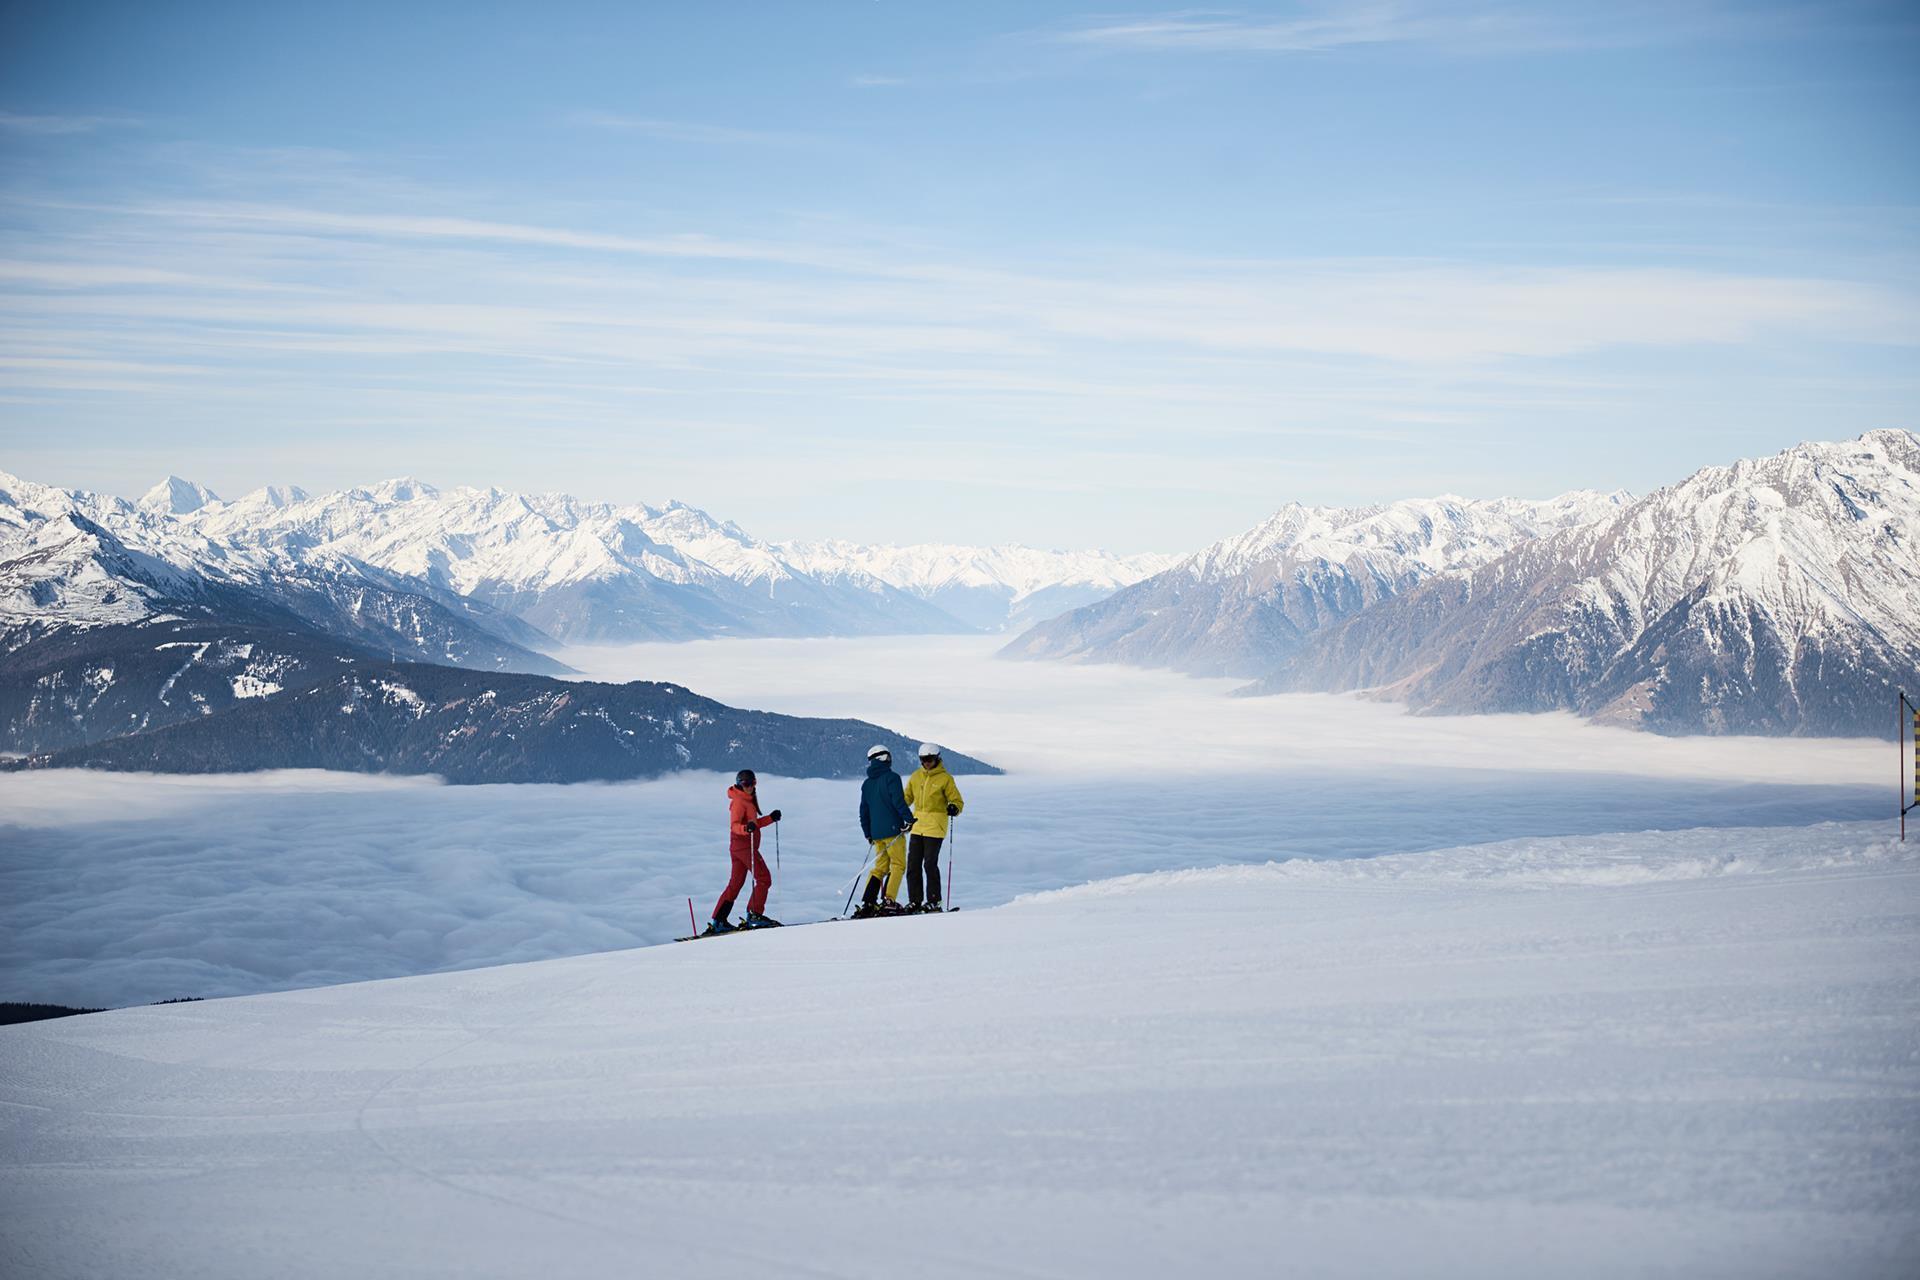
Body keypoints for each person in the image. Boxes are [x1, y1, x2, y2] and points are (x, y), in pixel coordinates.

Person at [706, 768, 781, 934]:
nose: (749, 787)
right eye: (746, 784)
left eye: (752, 783)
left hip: (739, 847)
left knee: (735, 884)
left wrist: (770, 818)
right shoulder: (740, 802)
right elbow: (734, 826)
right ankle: (754, 915)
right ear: (740, 785)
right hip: (744, 846)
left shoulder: (746, 800)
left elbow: (753, 824)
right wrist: (746, 828)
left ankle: (719, 920)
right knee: (764, 878)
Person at [901, 742, 964, 913]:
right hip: (917, 826)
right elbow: (906, 798)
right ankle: (915, 901)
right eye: (923, 760)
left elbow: (957, 800)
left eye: (929, 759)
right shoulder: (915, 777)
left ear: (937, 758)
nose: (926, 763)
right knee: (913, 865)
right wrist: (894, 807)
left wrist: (954, 808)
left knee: (929, 864)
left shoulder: (945, 779)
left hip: (935, 828)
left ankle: (934, 901)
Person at [854, 743, 914, 918]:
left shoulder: (867, 784)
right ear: (883, 758)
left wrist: (868, 833)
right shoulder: (892, 777)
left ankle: (868, 901)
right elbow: (898, 802)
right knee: (898, 865)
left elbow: (863, 811)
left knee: (880, 867)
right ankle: (889, 901)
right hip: (893, 831)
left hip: (876, 834)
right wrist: (909, 820)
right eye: (887, 756)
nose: (889, 760)